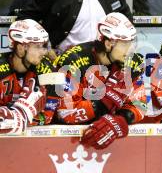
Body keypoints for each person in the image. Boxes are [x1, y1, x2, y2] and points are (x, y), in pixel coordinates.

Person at [54, 12, 145, 149]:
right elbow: (65, 112)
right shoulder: (74, 60)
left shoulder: (133, 62)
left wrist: (119, 120)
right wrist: (104, 102)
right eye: (125, 44)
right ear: (108, 44)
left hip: (112, 145)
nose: (130, 50)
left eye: (131, 43)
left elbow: (139, 105)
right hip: (64, 143)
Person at [0, 19, 62, 135]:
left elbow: (47, 116)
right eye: (38, 46)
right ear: (21, 48)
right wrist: (23, 113)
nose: (43, 52)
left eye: (44, 46)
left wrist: (12, 116)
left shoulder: (47, 69)